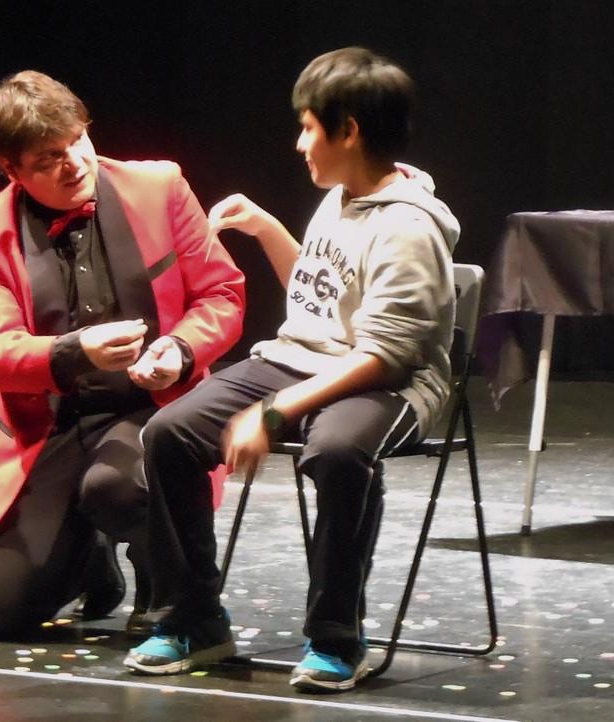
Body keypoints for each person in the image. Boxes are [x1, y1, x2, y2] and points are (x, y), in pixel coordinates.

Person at [124, 47, 460, 692]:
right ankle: (194, 621)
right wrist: (267, 228)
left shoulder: (408, 228)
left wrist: (277, 411)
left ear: (349, 131)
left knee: (334, 452)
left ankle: (337, 635)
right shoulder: (341, 196)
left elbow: (384, 356)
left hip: (390, 382)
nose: (300, 142)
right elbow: (319, 295)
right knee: (169, 433)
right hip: (304, 358)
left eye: (310, 126)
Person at [0, 70, 245, 640]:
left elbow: (222, 293)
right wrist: (73, 351)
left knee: (117, 487)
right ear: (11, 170)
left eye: (78, 142)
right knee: (5, 612)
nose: (74, 164)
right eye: (48, 159)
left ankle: (164, 579)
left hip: (150, 406)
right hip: (55, 423)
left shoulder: (157, 188)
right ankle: (92, 561)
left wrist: (180, 350)